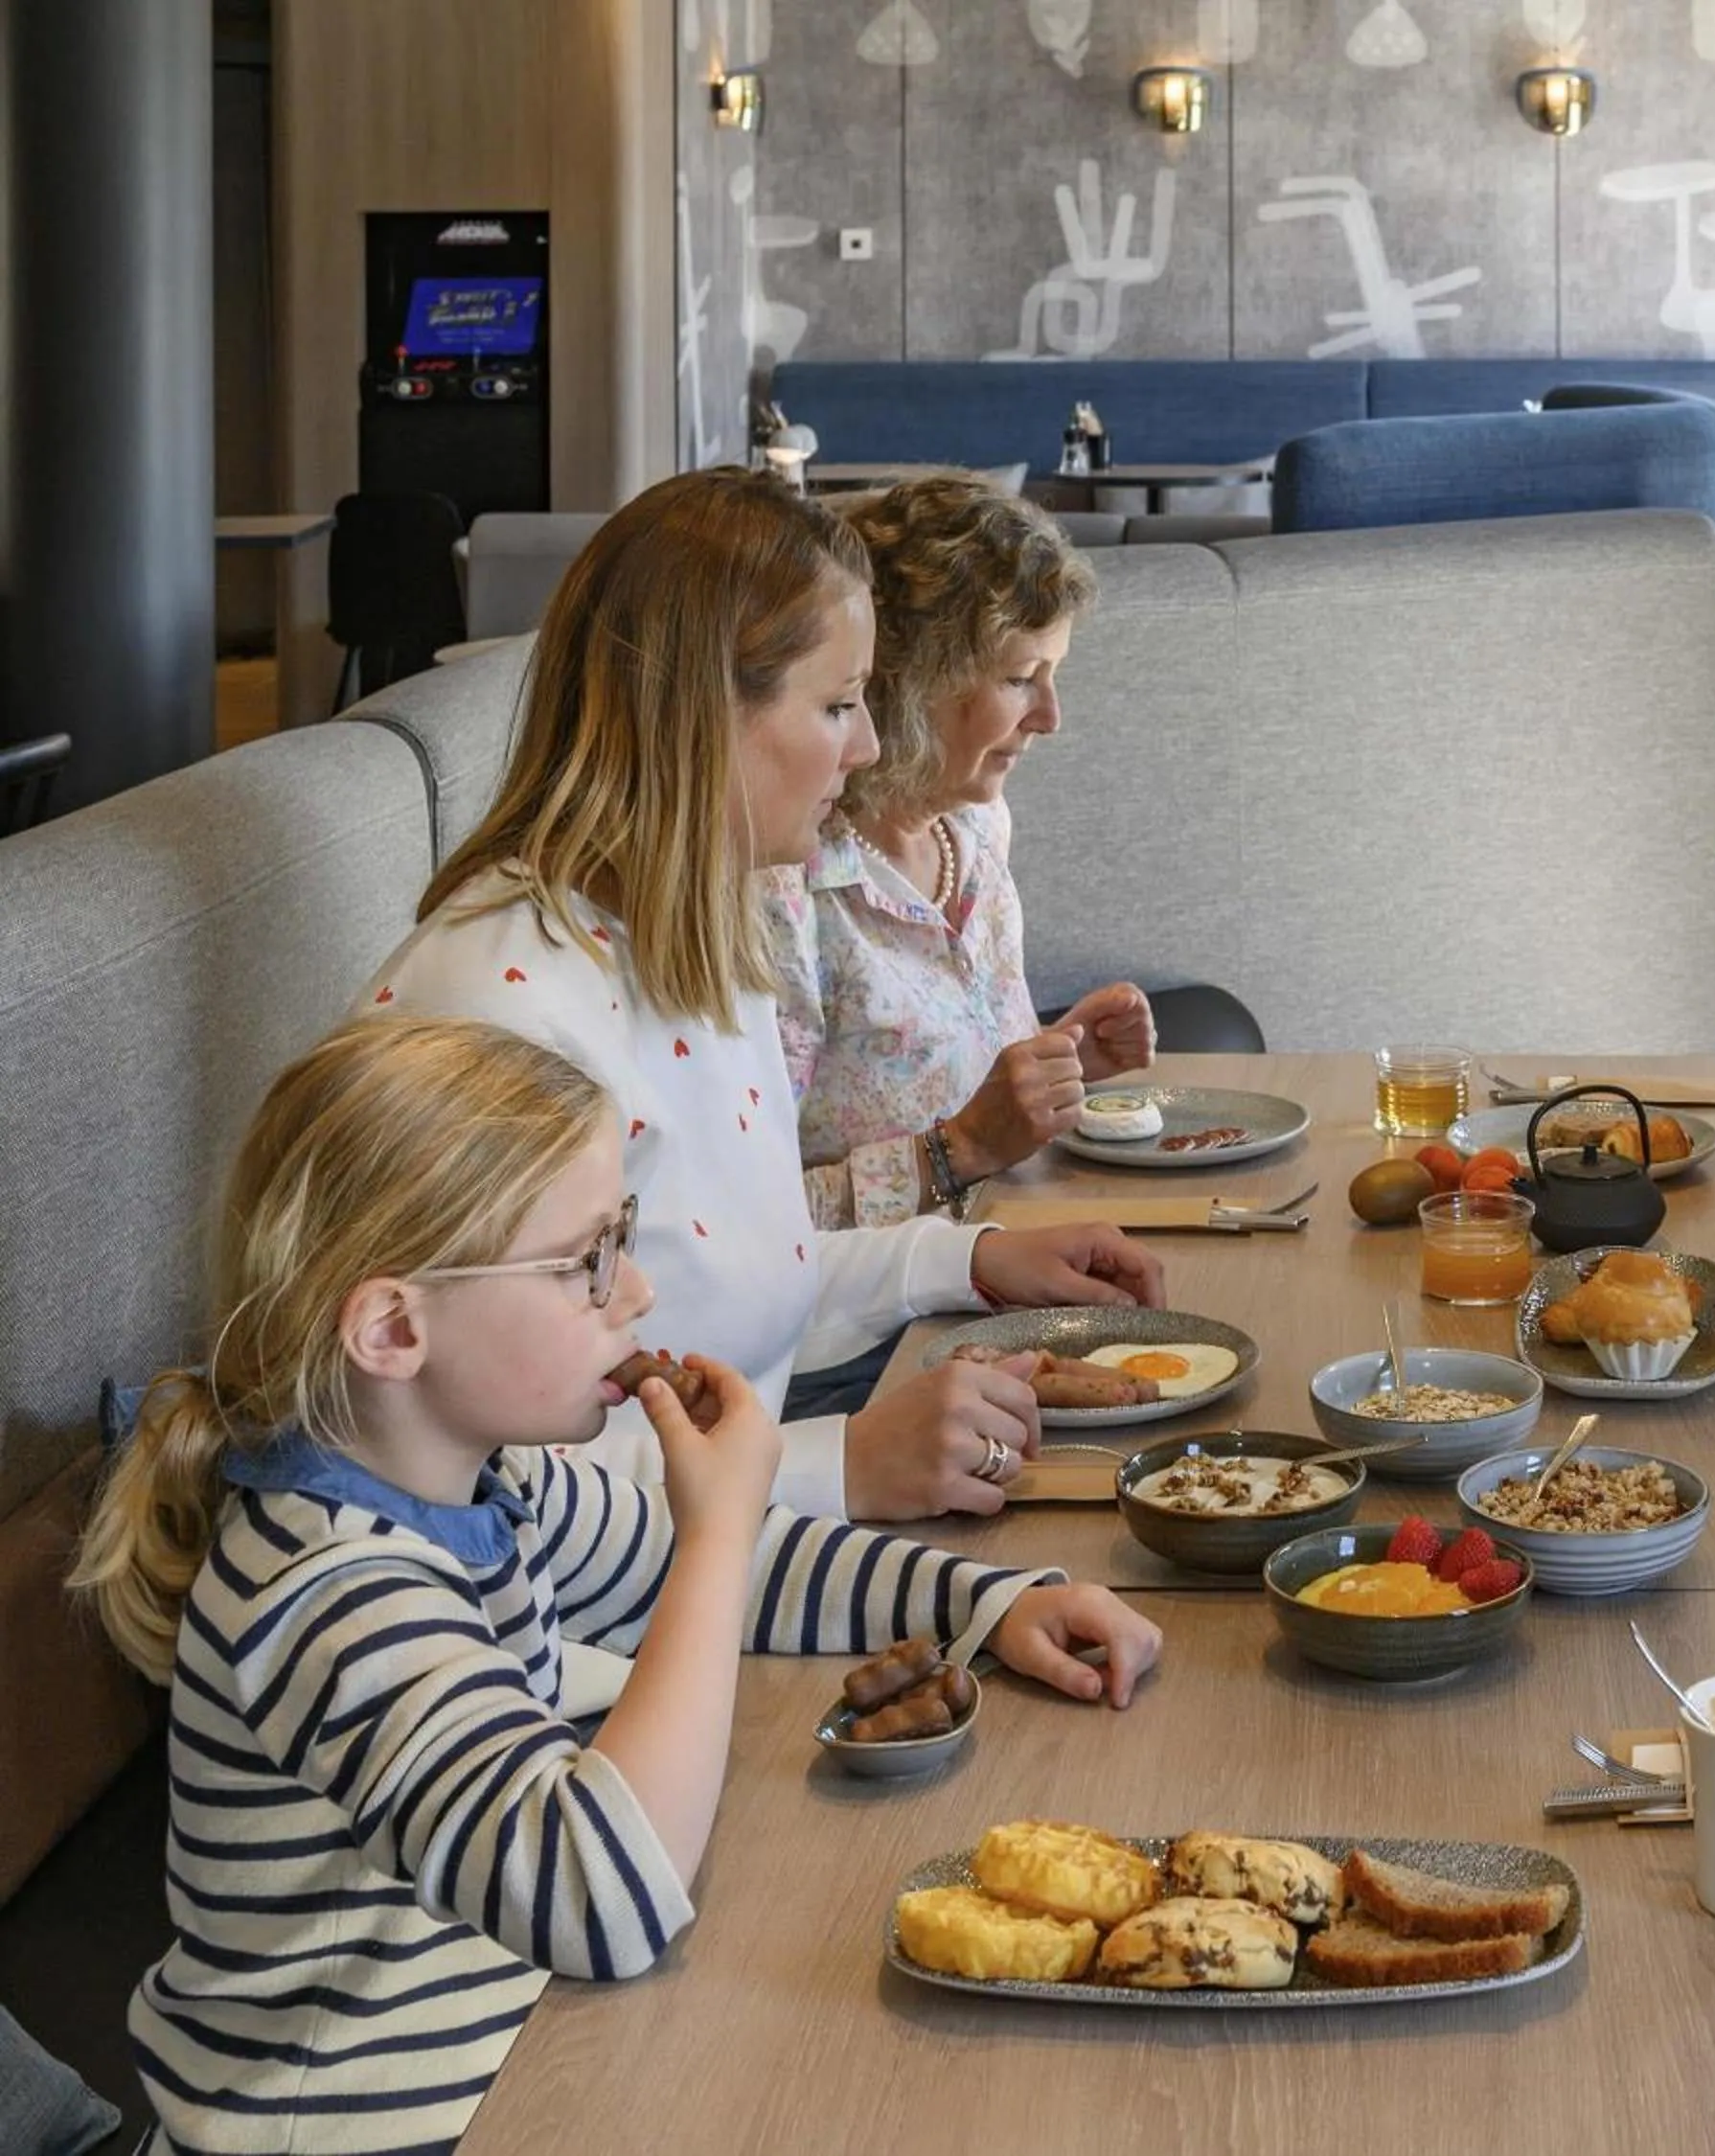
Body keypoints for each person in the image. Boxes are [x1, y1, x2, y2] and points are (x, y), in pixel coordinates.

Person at [71, 1015, 1164, 2156]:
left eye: (621, 1237)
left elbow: (749, 1568)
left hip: (527, 2054)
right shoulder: (328, 1593)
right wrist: (715, 1534)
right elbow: (600, 1891)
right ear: (393, 1329)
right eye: (583, 1261)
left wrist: (988, 1605)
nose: (634, 1291)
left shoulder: (490, 1478)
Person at [368, 469, 1160, 1525]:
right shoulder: (499, 1011)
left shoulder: (701, 937)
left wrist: (967, 1258)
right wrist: (841, 1464)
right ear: (700, 717)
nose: (868, 746)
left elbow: (740, 1289)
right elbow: (480, 1478)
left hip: (734, 1545)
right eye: (836, 706)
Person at [765, 477, 1155, 1230]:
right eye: (1020, 679)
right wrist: (964, 1147)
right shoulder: (787, 892)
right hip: (899, 1299)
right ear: (912, 683)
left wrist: (1060, 1061)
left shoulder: (976, 826)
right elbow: (753, 1228)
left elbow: (951, 1080)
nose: (1051, 717)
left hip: (1020, 1247)